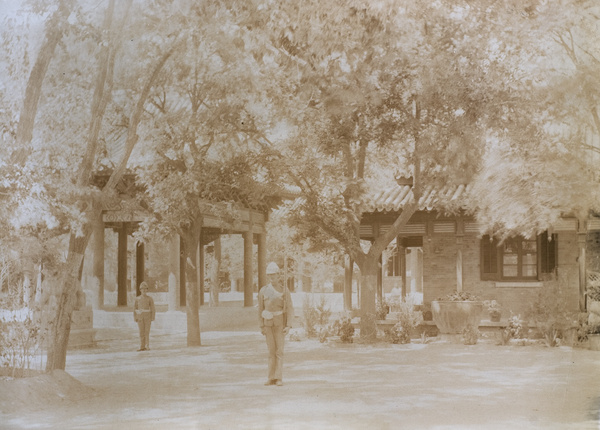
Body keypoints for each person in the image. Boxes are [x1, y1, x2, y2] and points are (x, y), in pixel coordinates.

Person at [258, 262, 294, 386]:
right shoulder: (263, 291)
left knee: (279, 351)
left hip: (279, 324)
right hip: (268, 324)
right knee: (271, 351)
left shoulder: (284, 290)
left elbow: (289, 308)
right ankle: (270, 377)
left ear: (279, 275)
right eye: (269, 275)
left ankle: (278, 377)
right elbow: (260, 309)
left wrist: (288, 325)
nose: (271, 278)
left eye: (273, 275)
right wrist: (261, 325)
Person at [133, 281, 155, 351]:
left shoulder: (150, 298)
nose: (144, 290)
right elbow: (135, 308)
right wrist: (135, 317)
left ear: (147, 290)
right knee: (141, 332)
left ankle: (147, 345)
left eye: (145, 289)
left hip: (147, 317)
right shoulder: (137, 299)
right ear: (140, 290)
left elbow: (153, 308)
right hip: (140, 317)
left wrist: (152, 317)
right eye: (142, 289)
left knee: (147, 331)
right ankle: (141, 346)